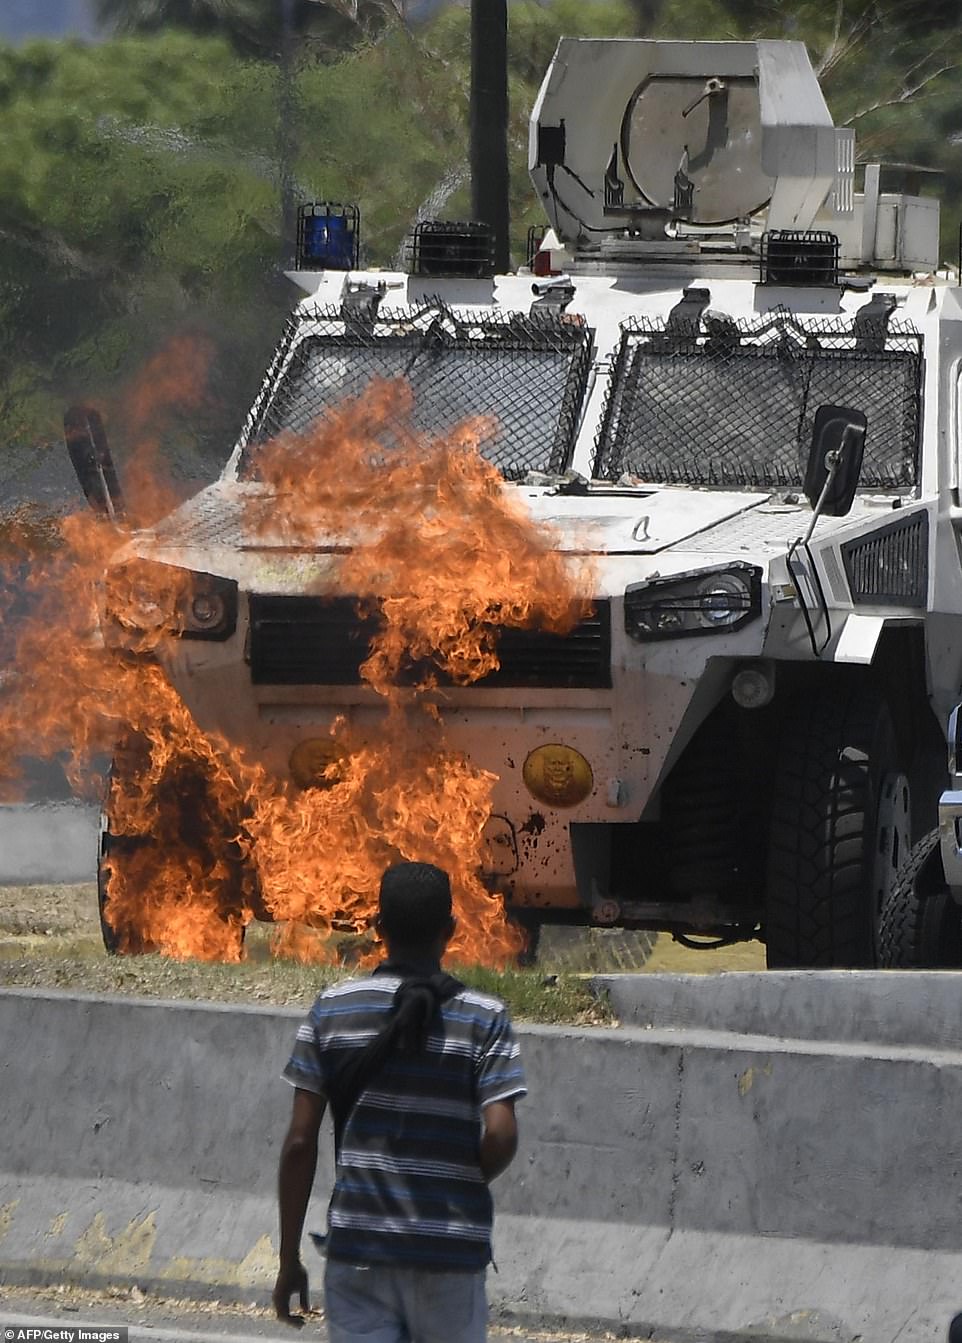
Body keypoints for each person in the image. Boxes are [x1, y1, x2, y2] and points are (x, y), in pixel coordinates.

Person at [273, 860, 526, 1342]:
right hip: (449, 1255)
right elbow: (502, 1134)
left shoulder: (331, 1011)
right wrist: (456, 1182)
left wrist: (288, 1261)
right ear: (451, 930)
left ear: (378, 928)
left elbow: (300, 1143)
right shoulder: (485, 1019)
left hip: (359, 1253)